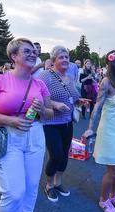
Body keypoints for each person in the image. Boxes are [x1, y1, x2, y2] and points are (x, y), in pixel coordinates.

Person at [0, 38, 54, 212]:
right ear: (14, 56)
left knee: (31, 186)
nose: (32, 54)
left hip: (35, 136)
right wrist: (11, 120)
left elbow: (49, 113)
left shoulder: (40, 84)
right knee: (13, 191)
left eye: (33, 51)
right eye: (26, 51)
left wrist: (42, 110)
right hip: (8, 137)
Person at [83, 50, 115, 212]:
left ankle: (114, 196)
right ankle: (103, 200)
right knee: (114, 171)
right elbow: (97, 106)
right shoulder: (106, 82)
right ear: (113, 63)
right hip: (109, 132)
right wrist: (90, 127)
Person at [39, 45, 83, 202]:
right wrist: (56, 104)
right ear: (53, 60)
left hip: (67, 122)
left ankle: (58, 183)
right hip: (51, 123)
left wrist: (79, 101)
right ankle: (49, 185)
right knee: (56, 155)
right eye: (61, 57)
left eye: (67, 57)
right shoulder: (45, 76)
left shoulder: (69, 78)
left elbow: (73, 97)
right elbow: (37, 97)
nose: (65, 60)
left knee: (64, 155)